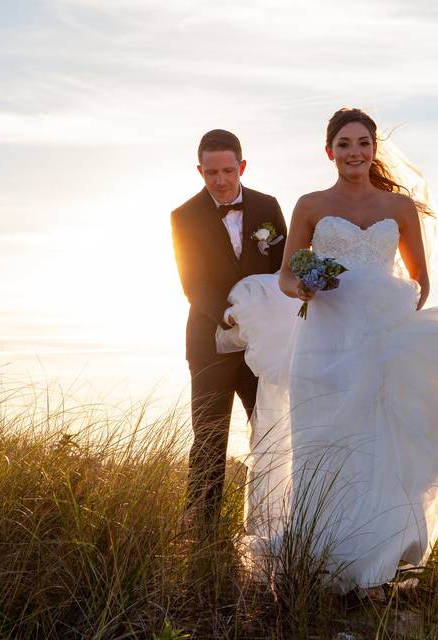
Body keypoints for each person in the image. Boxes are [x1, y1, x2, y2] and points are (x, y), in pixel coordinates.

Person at [219, 108, 438, 595]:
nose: (355, 152)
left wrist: (386, 314)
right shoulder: (310, 204)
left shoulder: (399, 209)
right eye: (345, 144)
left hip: (379, 341)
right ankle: (319, 556)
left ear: (374, 149)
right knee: (320, 444)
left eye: (363, 143)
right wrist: (302, 289)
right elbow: (288, 274)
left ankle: (373, 563)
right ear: (329, 151)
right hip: (323, 340)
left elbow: (420, 282)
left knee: (377, 445)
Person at [170, 129, 287, 531]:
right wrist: (227, 314)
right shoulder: (183, 216)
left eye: (227, 170)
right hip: (210, 342)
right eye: (210, 172)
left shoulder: (268, 206)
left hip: (264, 345)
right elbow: (192, 282)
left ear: (242, 166)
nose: (219, 179)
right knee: (208, 437)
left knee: (271, 430)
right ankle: (201, 528)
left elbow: (281, 268)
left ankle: (276, 520)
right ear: (199, 170)